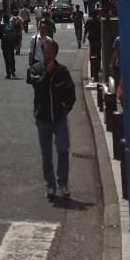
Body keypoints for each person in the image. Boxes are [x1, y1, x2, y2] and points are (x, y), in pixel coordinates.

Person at [30, 38, 76, 199]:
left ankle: (62, 181)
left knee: (63, 149)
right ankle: (50, 184)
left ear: (55, 54)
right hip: (42, 118)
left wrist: (65, 108)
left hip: (59, 118)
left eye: (50, 53)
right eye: (44, 52)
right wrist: (47, 73)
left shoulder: (62, 70)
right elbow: (38, 87)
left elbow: (71, 92)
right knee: (46, 154)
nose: (47, 56)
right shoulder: (36, 69)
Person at [83, 11, 102, 82]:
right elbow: (101, 30)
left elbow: (86, 30)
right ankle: (98, 66)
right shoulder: (98, 21)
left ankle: (93, 66)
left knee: (92, 52)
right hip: (97, 38)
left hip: (91, 38)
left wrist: (84, 38)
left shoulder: (89, 21)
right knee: (98, 52)